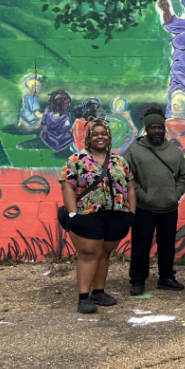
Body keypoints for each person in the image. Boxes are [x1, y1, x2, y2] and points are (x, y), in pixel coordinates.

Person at [59, 119, 136, 313]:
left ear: (109, 137)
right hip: (87, 214)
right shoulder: (76, 159)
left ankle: (99, 292)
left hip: (116, 214)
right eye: (95, 134)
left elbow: (130, 187)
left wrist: (131, 213)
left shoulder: (120, 161)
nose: (100, 137)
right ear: (88, 138)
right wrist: (72, 213)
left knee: (104, 253)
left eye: (104, 134)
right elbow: (67, 186)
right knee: (89, 253)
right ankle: (83, 297)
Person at [124, 107, 185, 297]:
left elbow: (183, 176)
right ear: (147, 129)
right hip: (144, 208)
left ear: (164, 129)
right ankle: (137, 280)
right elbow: (127, 176)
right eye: (152, 127)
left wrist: (175, 194)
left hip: (169, 207)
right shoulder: (134, 151)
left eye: (160, 127)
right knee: (141, 245)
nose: (157, 131)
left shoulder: (174, 152)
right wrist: (142, 196)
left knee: (168, 244)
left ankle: (166, 277)